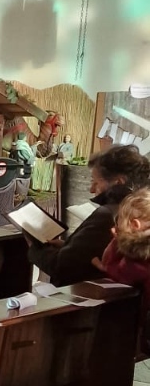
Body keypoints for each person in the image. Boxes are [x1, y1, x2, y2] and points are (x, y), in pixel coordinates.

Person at [25, 145, 150, 287]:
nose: (91, 190)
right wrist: (69, 246)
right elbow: (94, 253)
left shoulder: (110, 215)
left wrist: (34, 247)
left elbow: (63, 267)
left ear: (118, 182)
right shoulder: (143, 210)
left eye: (96, 182)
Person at [98, 188, 150, 351]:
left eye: (119, 224)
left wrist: (117, 243)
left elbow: (117, 273)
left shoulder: (140, 252)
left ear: (135, 225)